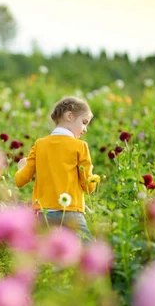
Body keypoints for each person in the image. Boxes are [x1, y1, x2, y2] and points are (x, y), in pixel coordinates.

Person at [14, 96, 99, 239]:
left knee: (43, 253)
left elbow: (20, 181)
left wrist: (21, 167)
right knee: (88, 249)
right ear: (69, 116)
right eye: (84, 123)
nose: (85, 129)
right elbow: (88, 186)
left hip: (44, 213)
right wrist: (92, 175)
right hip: (71, 211)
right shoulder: (80, 146)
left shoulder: (39, 144)